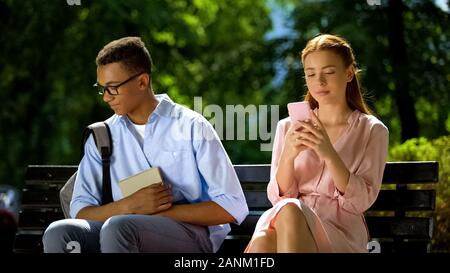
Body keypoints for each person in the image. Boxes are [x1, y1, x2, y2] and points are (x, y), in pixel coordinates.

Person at [43, 37, 248, 253]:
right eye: (102, 88)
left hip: (189, 234)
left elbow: (232, 206)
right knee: (60, 232)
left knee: (119, 227)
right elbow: (80, 211)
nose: (105, 98)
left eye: (112, 88)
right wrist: (130, 206)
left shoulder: (192, 126)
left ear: (142, 82)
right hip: (119, 229)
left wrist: (159, 212)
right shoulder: (101, 135)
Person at [245, 34, 389, 253]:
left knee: (287, 215)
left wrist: (329, 153)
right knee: (268, 233)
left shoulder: (372, 130)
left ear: (349, 73)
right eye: (311, 74)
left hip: (341, 233)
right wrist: (289, 155)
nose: (319, 82)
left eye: (329, 72)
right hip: (289, 223)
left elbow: (360, 202)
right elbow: (278, 198)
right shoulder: (288, 127)